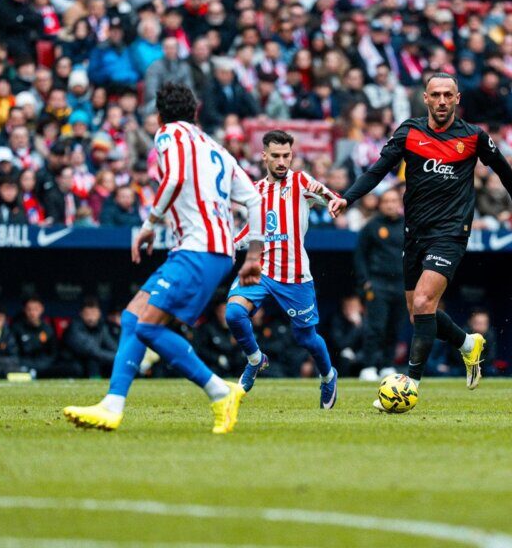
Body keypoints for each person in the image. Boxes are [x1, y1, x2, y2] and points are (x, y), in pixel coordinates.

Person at [63, 82, 263, 434]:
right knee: (131, 317)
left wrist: (149, 223)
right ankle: (112, 404)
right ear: (196, 112)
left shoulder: (168, 134)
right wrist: (254, 253)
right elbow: (255, 201)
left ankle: (219, 391)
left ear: (159, 116)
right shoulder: (217, 148)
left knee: (148, 327)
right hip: (209, 250)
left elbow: (174, 177)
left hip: (199, 250)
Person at [329, 74, 512, 411]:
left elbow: (504, 169)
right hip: (415, 233)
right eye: (435, 94)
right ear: (425, 98)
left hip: (451, 232)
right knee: (417, 314)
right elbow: (377, 170)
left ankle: (408, 386)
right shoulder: (410, 132)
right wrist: (347, 199)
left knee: (424, 301)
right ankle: (467, 344)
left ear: (457, 98)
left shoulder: (473, 137)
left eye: (447, 95)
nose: (441, 101)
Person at [224, 130, 340, 408]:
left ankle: (328, 376)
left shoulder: (300, 181)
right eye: (275, 156)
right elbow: (251, 232)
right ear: (264, 155)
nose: (281, 161)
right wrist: (230, 246)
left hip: (295, 275)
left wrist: (335, 201)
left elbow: (329, 195)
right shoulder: (255, 191)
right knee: (234, 313)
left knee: (306, 338)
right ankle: (255, 359)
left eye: (286, 155)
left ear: (292, 155)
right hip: (261, 270)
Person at [353, 188, 406, 381]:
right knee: (375, 327)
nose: (390, 205)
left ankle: (386, 364)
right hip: (378, 283)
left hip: (400, 283)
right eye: (386, 201)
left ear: (399, 204)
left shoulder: (407, 226)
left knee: (394, 326)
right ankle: (368, 366)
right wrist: (365, 282)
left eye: (394, 201)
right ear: (380, 204)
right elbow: (360, 256)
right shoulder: (372, 226)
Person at [60, 299, 118, 378]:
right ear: (81, 314)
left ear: (99, 313)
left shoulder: (101, 327)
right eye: (87, 314)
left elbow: (112, 346)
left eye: (94, 313)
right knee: (91, 362)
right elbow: (93, 352)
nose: (91, 317)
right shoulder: (74, 328)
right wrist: (119, 358)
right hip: (72, 364)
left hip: (93, 362)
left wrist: (123, 357)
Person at [10, 297, 60, 377]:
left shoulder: (48, 329)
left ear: (42, 309)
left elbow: (52, 354)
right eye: (29, 309)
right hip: (23, 363)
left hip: (43, 365)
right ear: (24, 310)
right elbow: (13, 353)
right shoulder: (16, 328)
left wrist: (42, 364)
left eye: (36, 309)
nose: (32, 313)